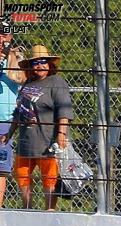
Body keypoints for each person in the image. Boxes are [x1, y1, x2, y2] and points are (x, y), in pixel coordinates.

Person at [0, 44, 73, 211]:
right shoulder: (28, 83)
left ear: (49, 64)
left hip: (47, 141)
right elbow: (19, 112)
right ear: (31, 67)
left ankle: (49, 210)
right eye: (35, 63)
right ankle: (27, 209)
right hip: (26, 141)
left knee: (49, 178)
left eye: (43, 62)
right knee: (22, 176)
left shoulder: (56, 82)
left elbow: (64, 110)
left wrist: (61, 133)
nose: (39, 65)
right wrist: (9, 134)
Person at [0, 21, 25, 207]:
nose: (2, 38)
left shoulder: (15, 57)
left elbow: (21, 78)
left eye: (5, 34)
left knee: (1, 170)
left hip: (4, 120)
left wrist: (9, 58)